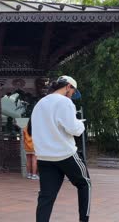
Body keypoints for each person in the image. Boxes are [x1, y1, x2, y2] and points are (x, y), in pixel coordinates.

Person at [31, 75, 90, 222]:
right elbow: (74, 129)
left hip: (45, 157)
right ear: (68, 86)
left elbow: (35, 129)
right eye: (73, 92)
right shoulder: (64, 102)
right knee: (85, 184)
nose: (72, 96)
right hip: (65, 154)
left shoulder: (40, 103)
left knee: (46, 196)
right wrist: (81, 123)